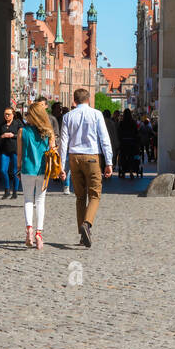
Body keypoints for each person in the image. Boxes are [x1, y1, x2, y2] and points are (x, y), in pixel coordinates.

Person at [59, 88, 113, 248]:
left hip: (74, 157)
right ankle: (87, 224)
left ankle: (83, 237)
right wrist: (109, 162)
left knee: (80, 197)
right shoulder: (96, 114)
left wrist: (62, 166)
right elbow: (104, 138)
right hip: (91, 157)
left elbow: (63, 142)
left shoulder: (68, 116)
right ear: (88, 99)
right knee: (95, 194)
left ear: (74, 100)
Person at [17, 99, 56, 250]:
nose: (26, 116)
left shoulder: (22, 131)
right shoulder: (49, 132)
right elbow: (53, 153)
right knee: (40, 201)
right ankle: (39, 234)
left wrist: (18, 168)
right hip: (43, 170)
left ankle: (29, 229)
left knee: (28, 200)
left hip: (27, 169)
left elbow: (19, 153)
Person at [0, 107, 20, 200]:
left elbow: (22, 135)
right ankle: (7, 190)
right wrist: (2, 136)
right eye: (5, 114)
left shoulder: (18, 123)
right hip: (4, 150)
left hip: (15, 149)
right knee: (3, 170)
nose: (6, 116)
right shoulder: (2, 125)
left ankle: (15, 191)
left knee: (15, 172)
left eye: (8, 114)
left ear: (13, 114)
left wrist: (13, 135)